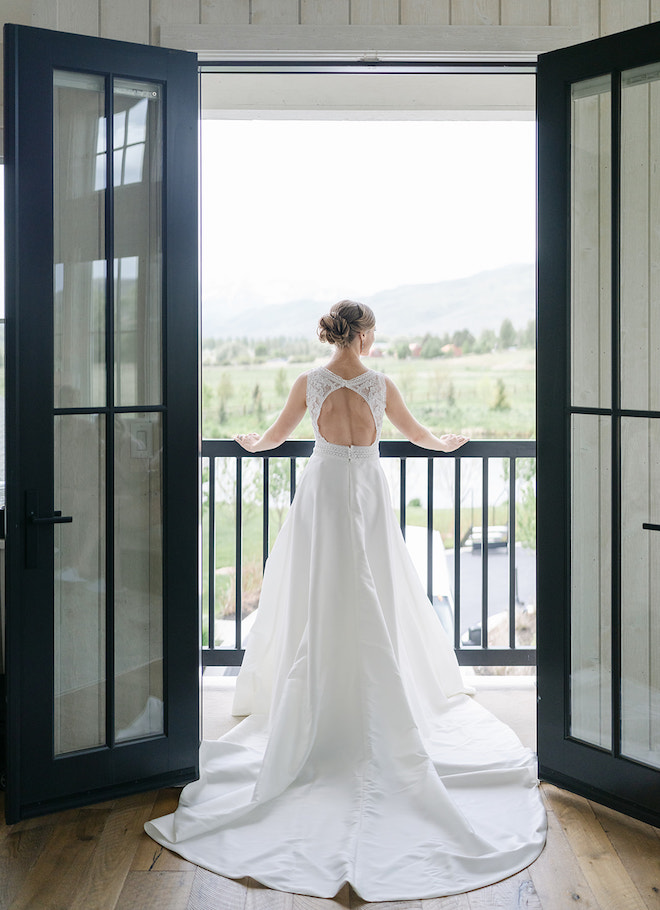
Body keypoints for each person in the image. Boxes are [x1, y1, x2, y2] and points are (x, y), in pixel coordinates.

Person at [145, 301, 546, 901]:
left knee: (322, 587)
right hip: (367, 489)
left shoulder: (308, 383)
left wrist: (249, 441)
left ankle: (319, 682)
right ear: (362, 334)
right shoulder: (381, 384)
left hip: (325, 492)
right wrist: (450, 441)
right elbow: (420, 438)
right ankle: (377, 683)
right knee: (377, 588)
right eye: (374, 333)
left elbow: (273, 440)